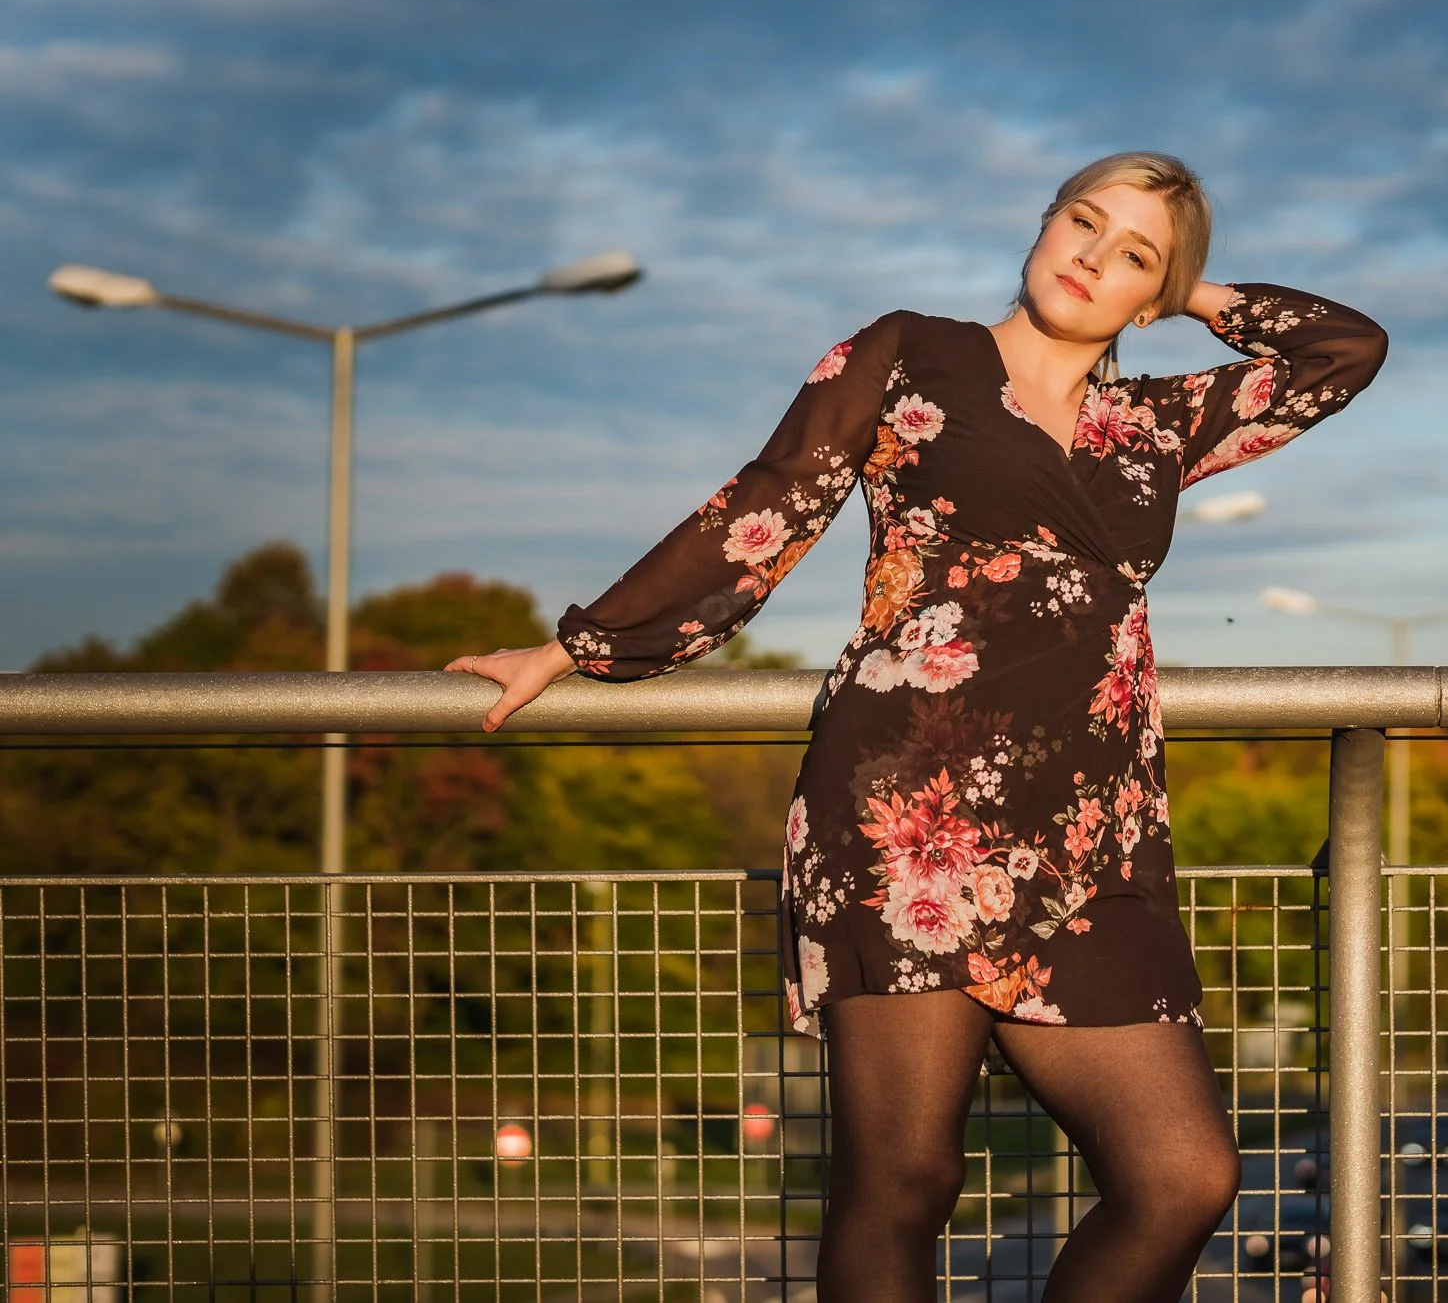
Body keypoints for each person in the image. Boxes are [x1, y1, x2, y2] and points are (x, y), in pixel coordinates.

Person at [448, 151, 1388, 1302]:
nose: (1090, 256)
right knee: (904, 1179)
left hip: (1089, 840)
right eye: (1080, 222)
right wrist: (580, 645)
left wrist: (1184, 286)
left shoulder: (1159, 421)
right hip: (907, 809)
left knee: (1181, 1174)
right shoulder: (908, 354)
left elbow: (1342, 350)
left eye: (1129, 250)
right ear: (1041, 222)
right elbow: (767, 501)